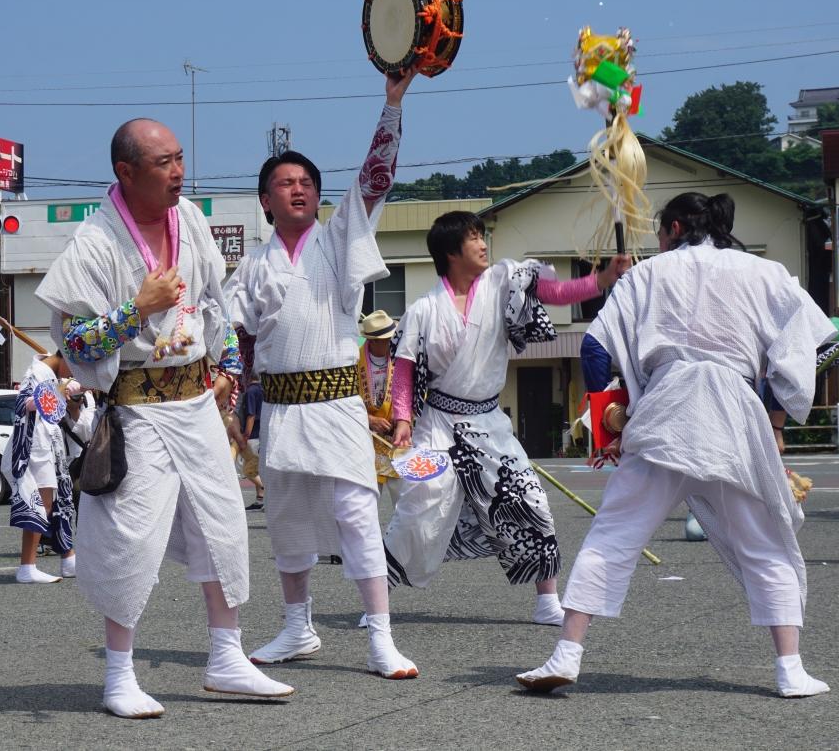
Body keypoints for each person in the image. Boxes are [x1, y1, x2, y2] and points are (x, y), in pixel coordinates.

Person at [518, 192, 835, 698]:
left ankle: (567, 654)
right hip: (733, 412)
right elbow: (803, 347)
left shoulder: (647, 274)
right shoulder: (765, 272)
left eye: (661, 232)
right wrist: (776, 422)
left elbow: (594, 348)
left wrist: (608, 426)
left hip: (666, 408)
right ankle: (790, 669)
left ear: (676, 228)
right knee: (765, 542)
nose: (658, 242)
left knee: (613, 534)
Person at [35, 117, 293, 718]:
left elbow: (216, 308)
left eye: (180, 158)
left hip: (197, 401)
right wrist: (137, 309)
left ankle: (227, 656)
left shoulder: (191, 219)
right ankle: (119, 675)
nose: (179, 171)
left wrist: (229, 369)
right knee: (129, 538)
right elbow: (76, 344)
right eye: (164, 162)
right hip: (137, 409)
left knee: (222, 524)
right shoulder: (94, 243)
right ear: (125, 172)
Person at [225, 71, 419, 679]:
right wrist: (229, 393)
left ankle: (381, 638)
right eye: (286, 183)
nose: (299, 190)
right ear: (265, 200)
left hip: (337, 405)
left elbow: (374, 179)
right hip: (281, 412)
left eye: (307, 183)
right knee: (286, 524)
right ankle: (296, 626)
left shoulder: (338, 240)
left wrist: (392, 104)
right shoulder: (252, 267)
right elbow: (235, 337)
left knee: (357, 515)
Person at [385, 211, 628, 625]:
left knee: (528, 497)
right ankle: (380, 596)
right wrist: (403, 419)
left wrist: (600, 280)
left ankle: (547, 600)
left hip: (489, 422)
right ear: (451, 252)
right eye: (473, 238)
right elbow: (405, 368)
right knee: (419, 503)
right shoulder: (424, 309)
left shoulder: (503, 282)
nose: (483, 244)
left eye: (482, 236)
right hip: (438, 423)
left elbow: (552, 291)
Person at [1, 352, 82, 583]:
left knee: (59, 502)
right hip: (34, 444)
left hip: (47, 442)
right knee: (40, 503)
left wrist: (64, 389)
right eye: (73, 367)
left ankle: (68, 557)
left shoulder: (48, 372)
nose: (72, 373)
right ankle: (27, 566)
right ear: (65, 357)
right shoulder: (36, 372)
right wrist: (56, 393)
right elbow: (24, 403)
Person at [358, 310, 403, 508]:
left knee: (405, 505)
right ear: (373, 341)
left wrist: (403, 418)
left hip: (397, 440)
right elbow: (344, 400)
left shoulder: (401, 358)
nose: (393, 342)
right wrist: (368, 419)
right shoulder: (353, 361)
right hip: (365, 440)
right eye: (387, 340)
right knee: (365, 505)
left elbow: (417, 392)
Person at [241, 374, 266, 510]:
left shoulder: (251, 391)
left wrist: (246, 435)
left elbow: (251, 415)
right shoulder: (263, 388)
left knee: (248, 469)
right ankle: (260, 499)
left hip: (253, 433)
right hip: (262, 432)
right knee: (257, 468)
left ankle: (264, 487)